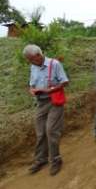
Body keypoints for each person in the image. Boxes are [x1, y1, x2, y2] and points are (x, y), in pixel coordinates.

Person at [23, 44, 69, 176]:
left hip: (54, 101)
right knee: (40, 132)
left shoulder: (54, 64)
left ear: (38, 55)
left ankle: (56, 160)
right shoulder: (33, 66)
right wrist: (32, 90)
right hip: (41, 102)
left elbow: (65, 82)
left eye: (31, 59)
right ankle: (41, 159)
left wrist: (50, 89)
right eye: (29, 60)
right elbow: (31, 84)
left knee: (51, 131)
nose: (30, 62)